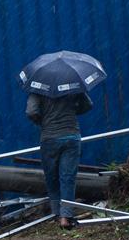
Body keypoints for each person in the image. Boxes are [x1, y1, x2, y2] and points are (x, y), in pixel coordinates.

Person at [25, 92, 92, 228]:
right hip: (71, 136)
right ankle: (66, 216)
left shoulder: (38, 88)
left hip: (50, 137)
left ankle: (56, 213)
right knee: (68, 177)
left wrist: (42, 120)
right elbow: (88, 105)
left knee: (52, 177)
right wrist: (72, 111)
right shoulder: (73, 84)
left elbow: (31, 111)